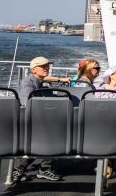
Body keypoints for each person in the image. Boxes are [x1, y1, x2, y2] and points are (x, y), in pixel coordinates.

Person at [12, 56, 72, 184]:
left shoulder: (39, 80)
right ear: (34, 70)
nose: (47, 68)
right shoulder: (27, 84)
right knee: (58, 134)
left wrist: (61, 79)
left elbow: (45, 78)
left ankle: (21, 169)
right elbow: (27, 105)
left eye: (47, 66)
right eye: (43, 66)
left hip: (39, 120)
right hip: (30, 121)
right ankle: (44, 168)